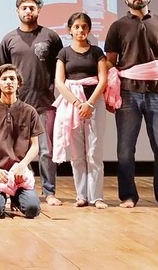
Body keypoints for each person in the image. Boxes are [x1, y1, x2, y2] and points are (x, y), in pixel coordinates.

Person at [104, 0, 158, 210]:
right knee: (125, 150)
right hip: (128, 94)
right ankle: (128, 196)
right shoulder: (117, 27)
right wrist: (108, 91)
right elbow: (109, 62)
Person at [0, 0, 64, 206]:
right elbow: (3, 72)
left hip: (44, 103)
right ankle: (16, 190)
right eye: (24, 7)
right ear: (17, 10)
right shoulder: (9, 39)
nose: (28, 11)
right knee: (15, 150)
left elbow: (59, 68)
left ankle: (49, 191)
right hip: (16, 105)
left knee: (46, 151)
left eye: (32, 8)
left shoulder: (51, 37)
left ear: (38, 10)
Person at [53, 12, 109, 208]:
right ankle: (81, 196)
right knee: (77, 153)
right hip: (72, 105)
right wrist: (77, 103)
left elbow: (103, 79)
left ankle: (96, 197)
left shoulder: (97, 52)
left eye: (84, 27)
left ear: (89, 29)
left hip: (94, 104)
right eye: (76, 27)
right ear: (70, 30)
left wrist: (90, 104)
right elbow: (59, 82)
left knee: (94, 151)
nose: (80, 30)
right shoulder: (64, 53)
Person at [0, 64, 42, 218]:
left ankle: (15, 197)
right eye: (4, 79)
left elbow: (35, 146)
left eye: (12, 78)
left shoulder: (29, 111)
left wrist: (22, 165)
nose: (9, 82)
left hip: (20, 172)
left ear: (18, 83)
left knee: (32, 209)